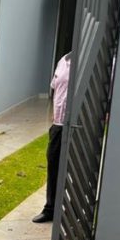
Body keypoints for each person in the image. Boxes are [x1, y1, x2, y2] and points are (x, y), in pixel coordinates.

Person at [34, 52, 72, 224]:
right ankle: (50, 209)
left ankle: (73, 212)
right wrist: (54, 114)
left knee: (77, 169)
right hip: (58, 125)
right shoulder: (63, 61)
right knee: (54, 165)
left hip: (79, 125)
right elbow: (56, 88)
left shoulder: (94, 61)